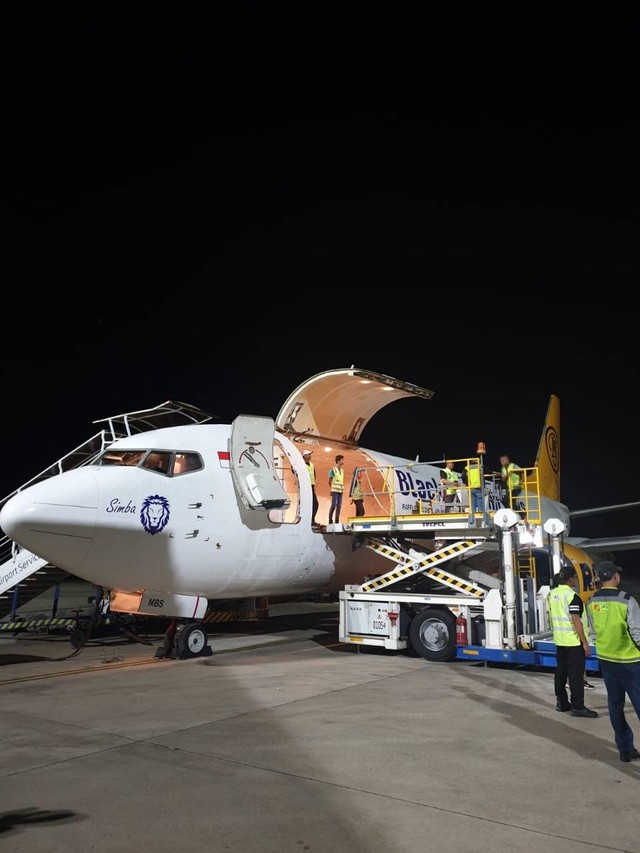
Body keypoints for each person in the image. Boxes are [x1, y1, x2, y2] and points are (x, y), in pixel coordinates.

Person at [587, 560, 640, 762]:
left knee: (615, 705)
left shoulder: (592, 601)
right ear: (615, 576)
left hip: (607, 661)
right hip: (630, 661)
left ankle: (625, 749)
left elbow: (593, 631)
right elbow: (637, 632)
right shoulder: (626, 600)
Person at [547, 565, 598, 718]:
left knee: (561, 673)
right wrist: (584, 642)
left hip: (560, 641)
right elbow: (576, 619)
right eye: (574, 577)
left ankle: (561, 702)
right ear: (570, 579)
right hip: (573, 642)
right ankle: (578, 706)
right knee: (575, 676)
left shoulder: (552, 594)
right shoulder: (571, 596)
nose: (575, 579)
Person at [302, 449, 319, 527]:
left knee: (315, 504)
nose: (310, 456)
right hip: (305, 487)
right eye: (308, 454)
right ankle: (308, 520)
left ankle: (311, 520)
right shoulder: (301, 464)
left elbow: (314, 473)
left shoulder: (311, 464)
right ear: (304, 456)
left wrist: (313, 483)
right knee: (309, 504)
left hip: (311, 486)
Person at [327, 454, 345, 524]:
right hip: (335, 491)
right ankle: (330, 520)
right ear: (338, 461)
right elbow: (329, 481)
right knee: (333, 505)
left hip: (341, 490)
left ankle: (337, 521)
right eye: (342, 460)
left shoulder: (342, 471)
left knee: (339, 506)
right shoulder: (332, 470)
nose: (343, 461)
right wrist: (332, 489)